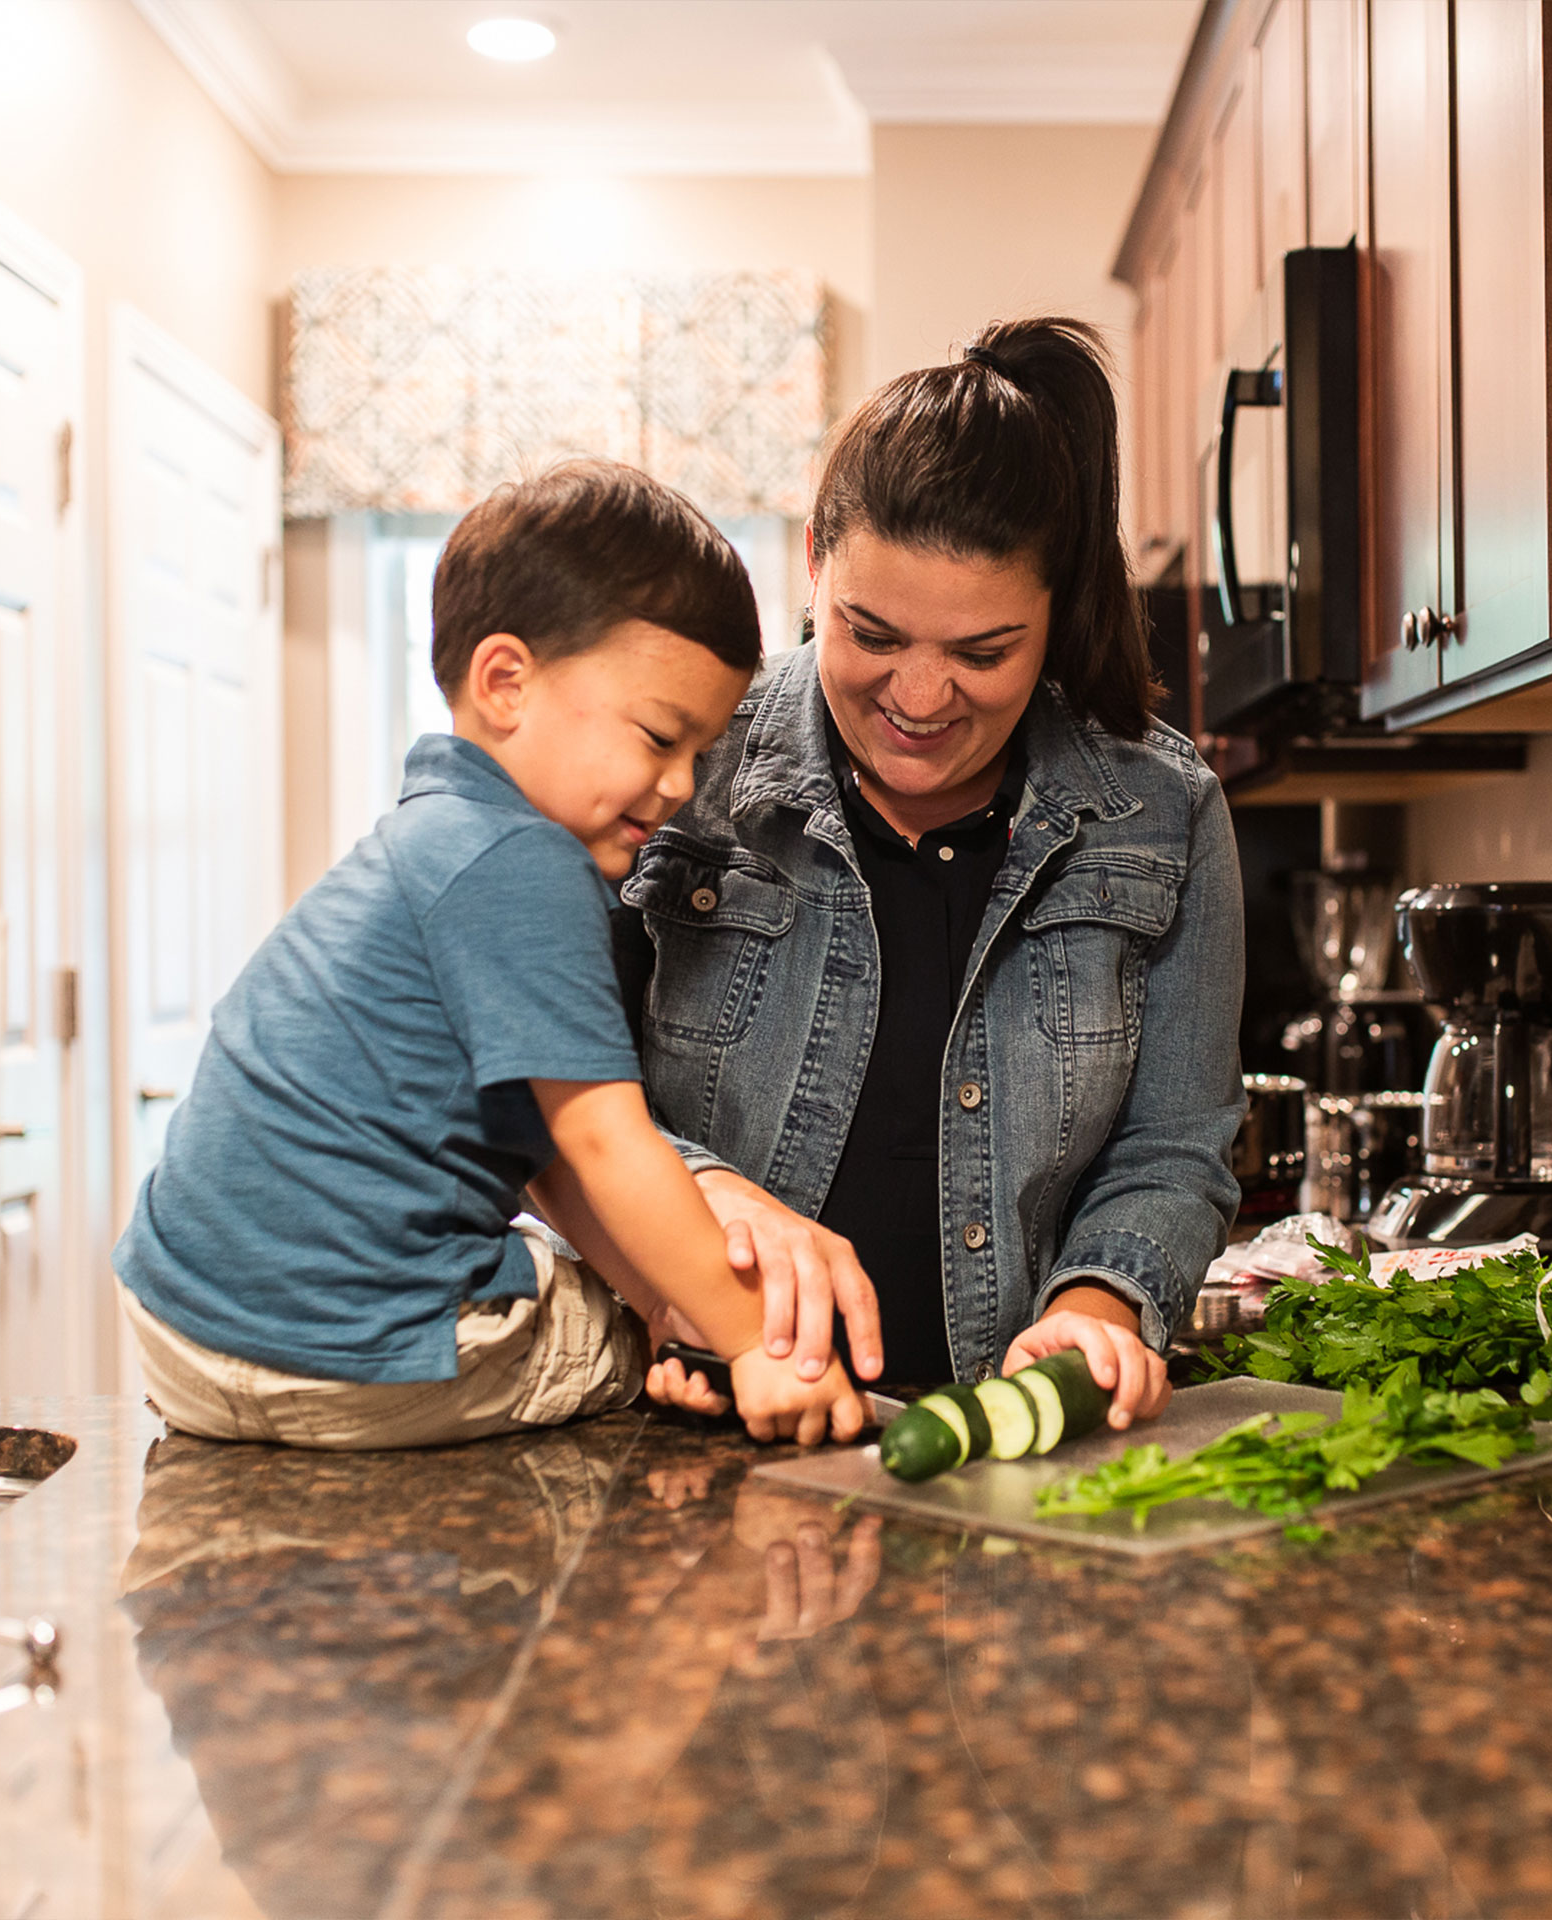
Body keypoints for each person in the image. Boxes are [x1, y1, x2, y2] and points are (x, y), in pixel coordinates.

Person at [114, 461, 868, 1449]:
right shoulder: (524, 861)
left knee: (629, 1305)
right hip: (352, 1353)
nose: (683, 783)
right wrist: (747, 1343)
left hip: (183, 1332)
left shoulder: (432, 837)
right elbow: (606, 1140)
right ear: (505, 682)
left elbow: (550, 1158)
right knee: (614, 1336)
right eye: (659, 736)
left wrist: (662, 1298)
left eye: (703, 748)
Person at [629, 315, 1244, 1433]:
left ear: (1055, 619)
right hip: (702, 1419)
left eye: (981, 653)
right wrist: (692, 1257)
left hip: (1003, 1456)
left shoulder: (1163, 810)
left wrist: (1102, 1309)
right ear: (814, 561)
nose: (918, 698)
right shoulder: (682, 768)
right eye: (872, 634)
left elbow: (1174, 1147)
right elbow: (561, 1097)